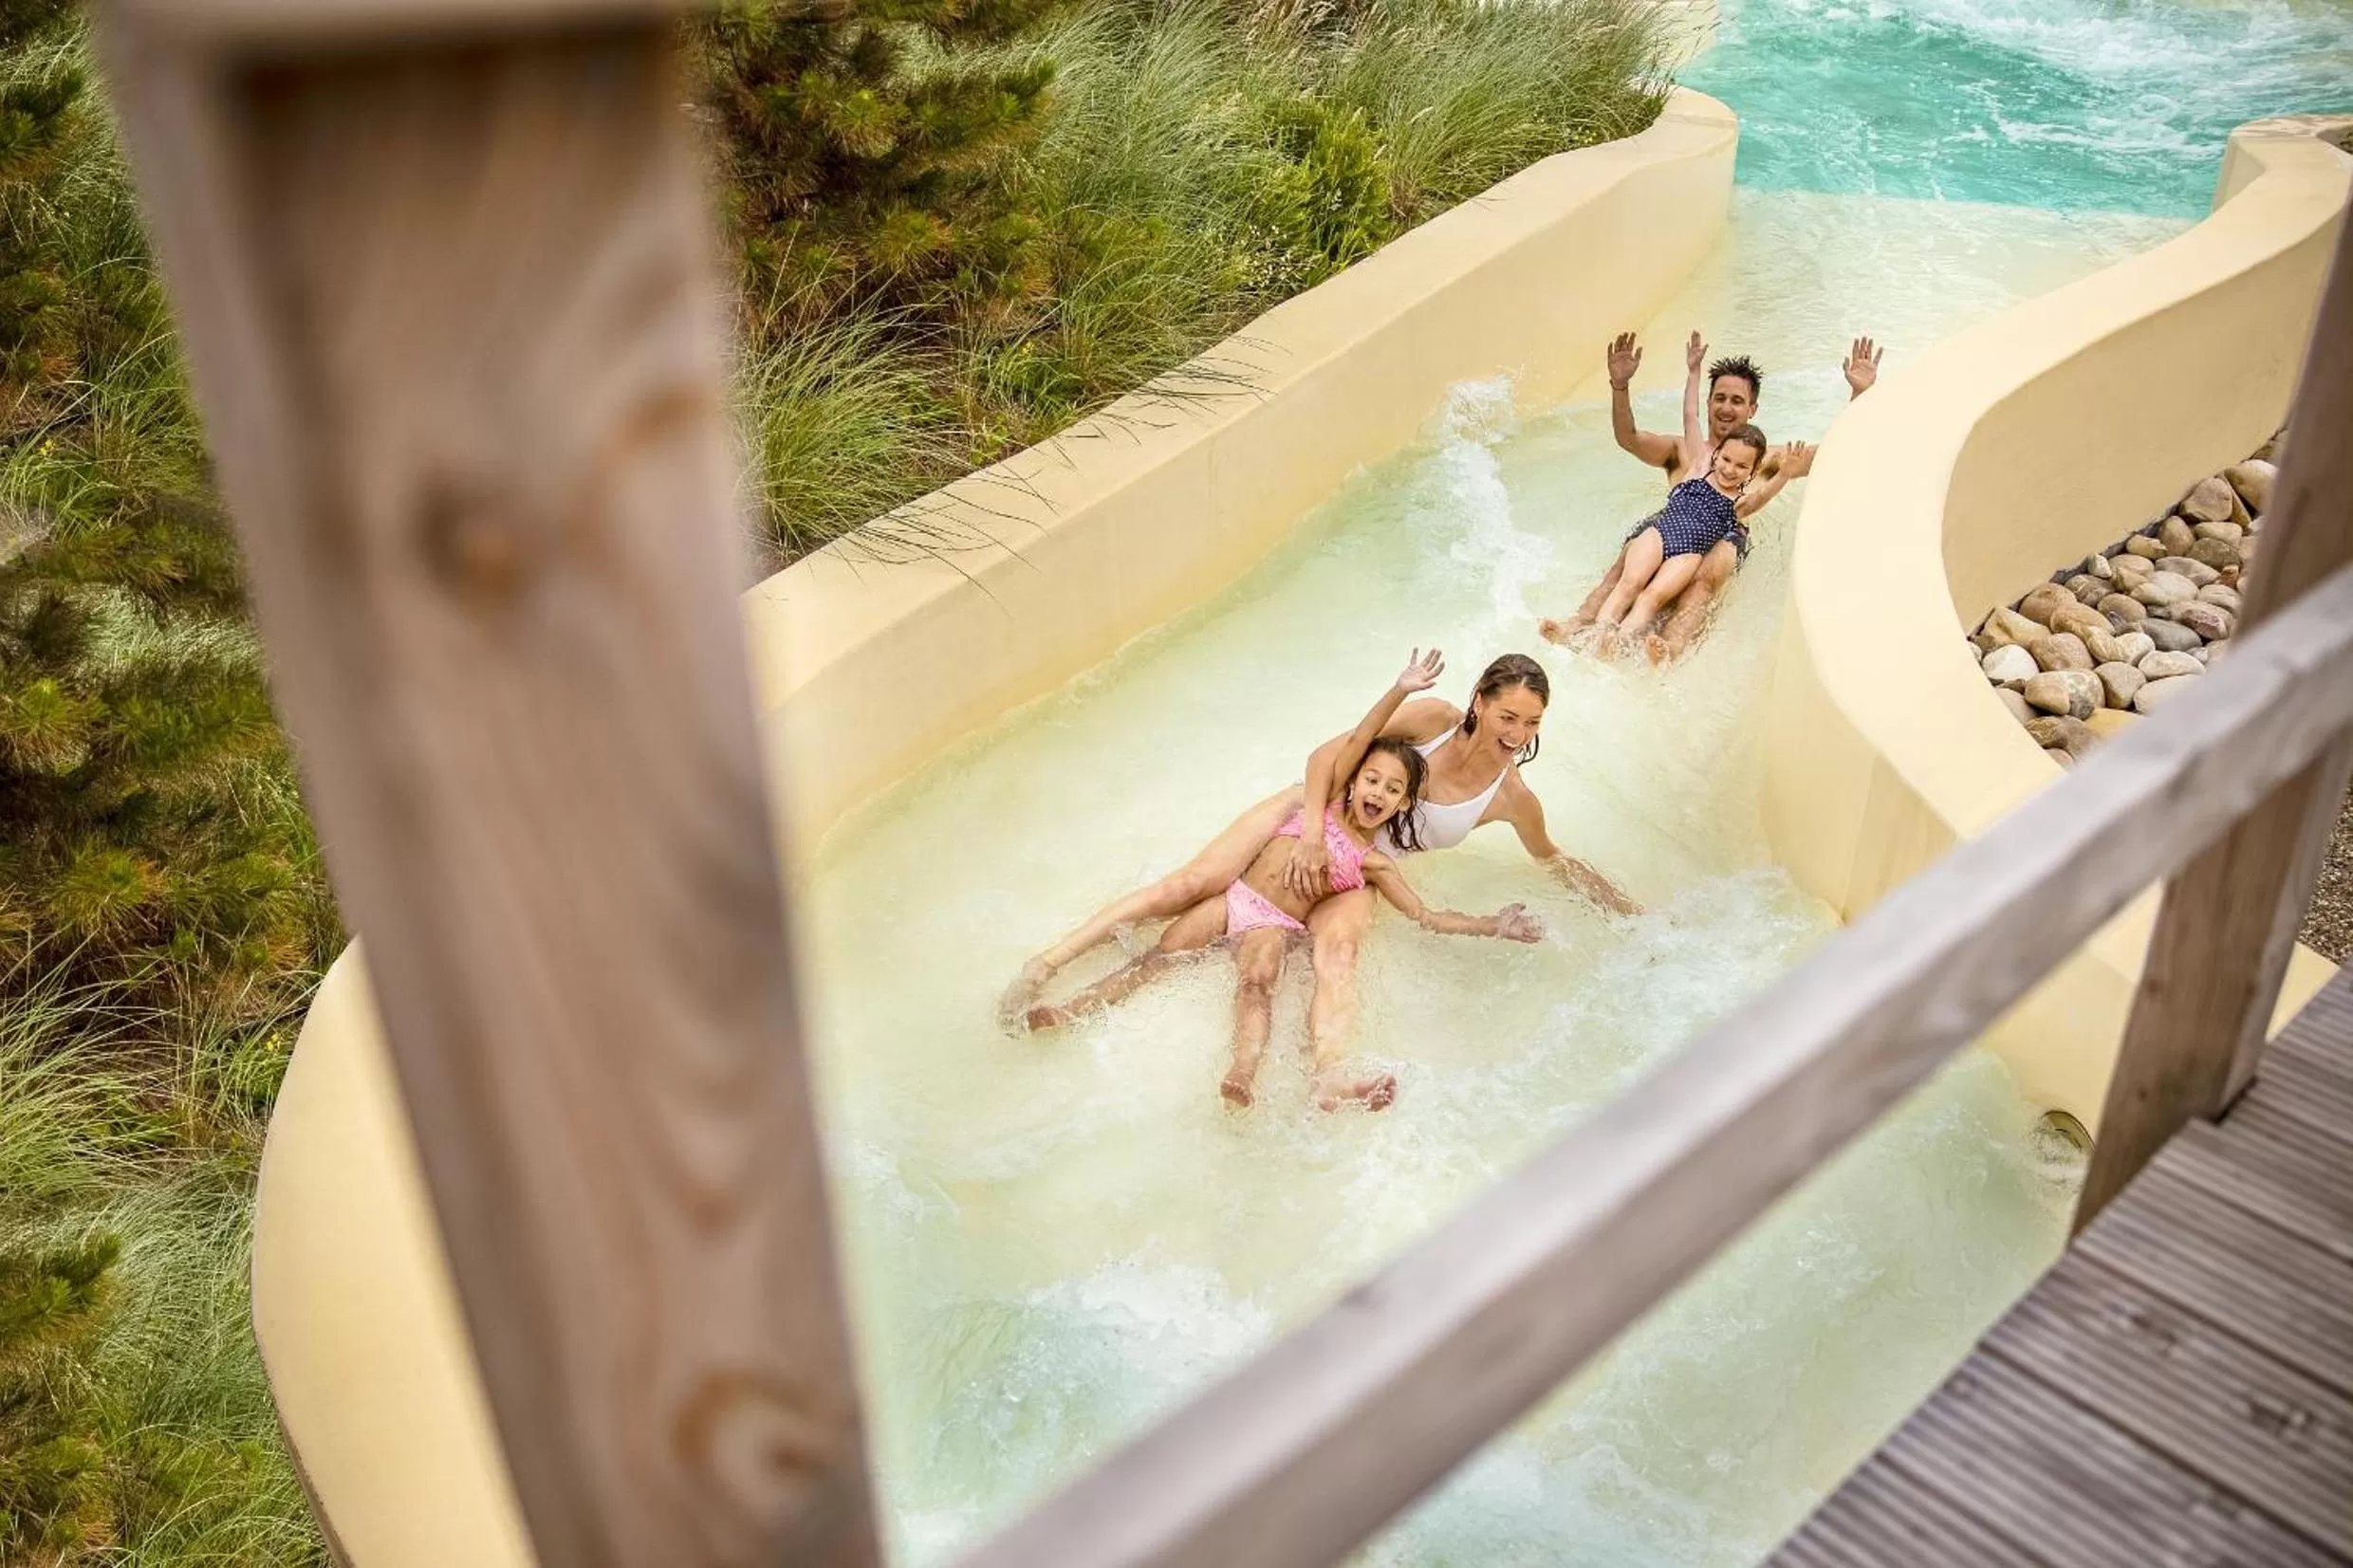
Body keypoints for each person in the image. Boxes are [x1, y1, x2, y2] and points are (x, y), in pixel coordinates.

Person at [998, 653, 1638, 1098]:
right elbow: (1330, 755)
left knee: (1338, 951)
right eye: (1509, 717)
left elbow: (1550, 856)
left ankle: (1328, 1073)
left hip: (1357, 870)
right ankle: (1047, 964)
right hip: (1308, 813)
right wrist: (1308, 832)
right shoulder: (1433, 718)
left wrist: (1622, 906)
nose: (1518, 735)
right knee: (1186, 887)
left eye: (1532, 724)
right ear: (1481, 702)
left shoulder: (1510, 796)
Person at [1542, 330, 1881, 659]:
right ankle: (1582, 623)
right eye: (1720, 398)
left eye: (1737, 400)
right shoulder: (1684, 450)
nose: (1727, 407)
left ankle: (1669, 647)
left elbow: (1829, 454)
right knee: (1630, 555)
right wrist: (1620, 385)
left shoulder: (1766, 458)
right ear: (1708, 402)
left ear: (1753, 409)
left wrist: (1860, 397)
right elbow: (1628, 437)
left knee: (1709, 572)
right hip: (1673, 522)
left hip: (1723, 531)